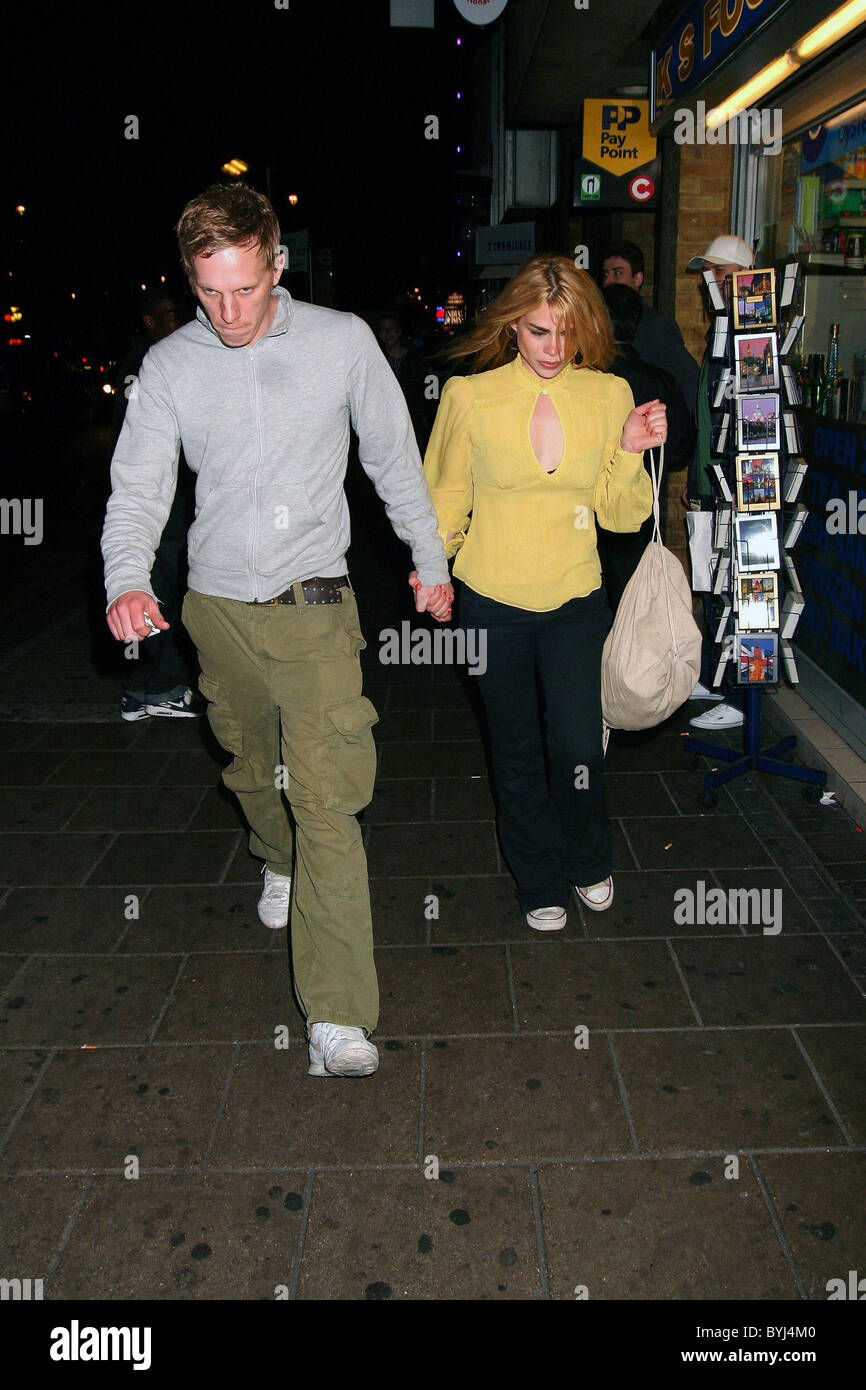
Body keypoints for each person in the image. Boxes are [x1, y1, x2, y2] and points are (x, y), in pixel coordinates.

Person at [102, 183, 452, 1078]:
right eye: (209, 292)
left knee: (328, 800)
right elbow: (140, 485)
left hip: (316, 607)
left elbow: (392, 457)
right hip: (215, 610)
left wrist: (430, 558)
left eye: (245, 289)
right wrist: (126, 580)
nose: (228, 312)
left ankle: (337, 1017)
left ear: (277, 264)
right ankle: (272, 854)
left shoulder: (342, 343)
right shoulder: (173, 365)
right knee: (250, 768)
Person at [423, 254, 666, 931]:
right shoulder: (470, 397)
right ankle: (537, 877)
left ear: (586, 326)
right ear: (512, 327)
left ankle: (588, 856)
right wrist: (431, 570)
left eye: (566, 332)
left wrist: (629, 447)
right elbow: (443, 496)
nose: (554, 349)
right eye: (537, 332)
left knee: (579, 745)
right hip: (491, 599)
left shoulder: (609, 394)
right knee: (516, 747)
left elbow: (621, 518)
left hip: (574, 598)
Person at [110, 288, 201, 721]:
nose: (175, 321)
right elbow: (133, 453)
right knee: (160, 597)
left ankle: (155, 685)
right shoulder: (148, 366)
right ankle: (152, 689)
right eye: (167, 314)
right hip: (160, 511)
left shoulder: (176, 360)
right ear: (149, 322)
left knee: (167, 595)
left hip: (175, 505)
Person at [683, 234, 754, 731]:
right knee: (710, 583)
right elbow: (710, 418)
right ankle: (714, 674)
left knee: (735, 586)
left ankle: (738, 692)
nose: (711, 283)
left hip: (738, 484)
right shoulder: (720, 330)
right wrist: (696, 477)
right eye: (710, 274)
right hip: (711, 483)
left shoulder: (750, 332)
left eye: (719, 274)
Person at [597, 283, 695, 612]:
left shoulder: (587, 381)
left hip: (588, 521)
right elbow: (681, 450)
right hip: (643, 518)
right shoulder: (659, 380)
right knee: (634, 614)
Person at [601, 240, 700, 410]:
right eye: (605, 274)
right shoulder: (602, 318)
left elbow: (688, 381)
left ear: (637, 279)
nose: (609, 281)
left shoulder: (655, 324)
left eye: (617, 273)